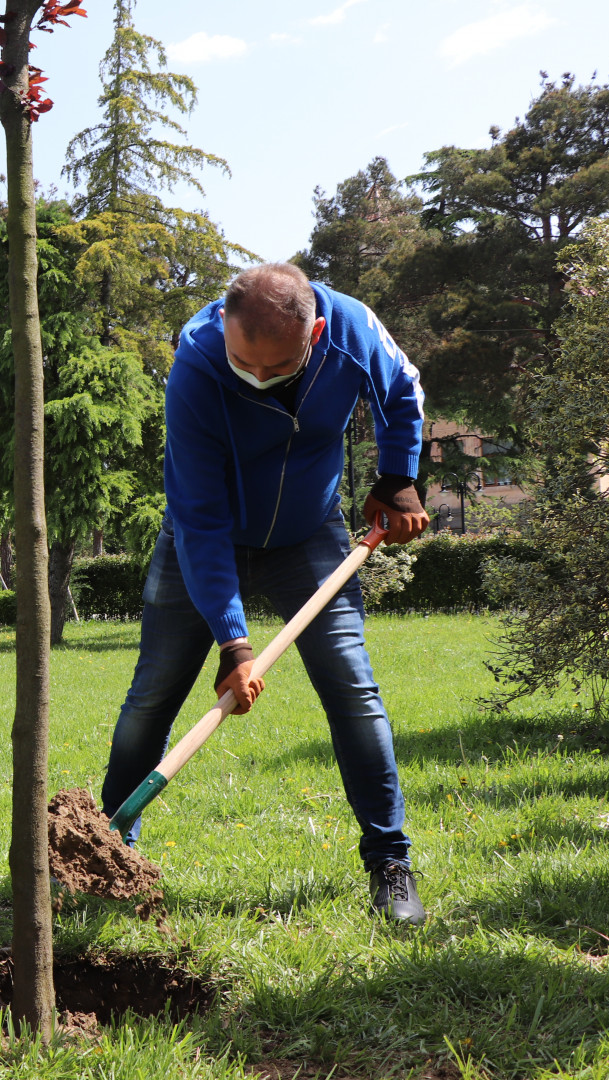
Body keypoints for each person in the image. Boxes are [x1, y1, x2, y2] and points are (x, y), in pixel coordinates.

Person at [99, 263, 431, 925]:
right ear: (223, 326)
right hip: (200, 539)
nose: (256, 376)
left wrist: (397, 477)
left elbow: (402, 389)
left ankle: (389, 864)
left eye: (276, 367)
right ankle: (105, 853)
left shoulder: (354, 330)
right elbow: (199, 519)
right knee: (154, 693)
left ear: (316, 332)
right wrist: (234, 639)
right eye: (243, 363)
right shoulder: (195, 367)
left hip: (308, 537)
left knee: (352, 689)